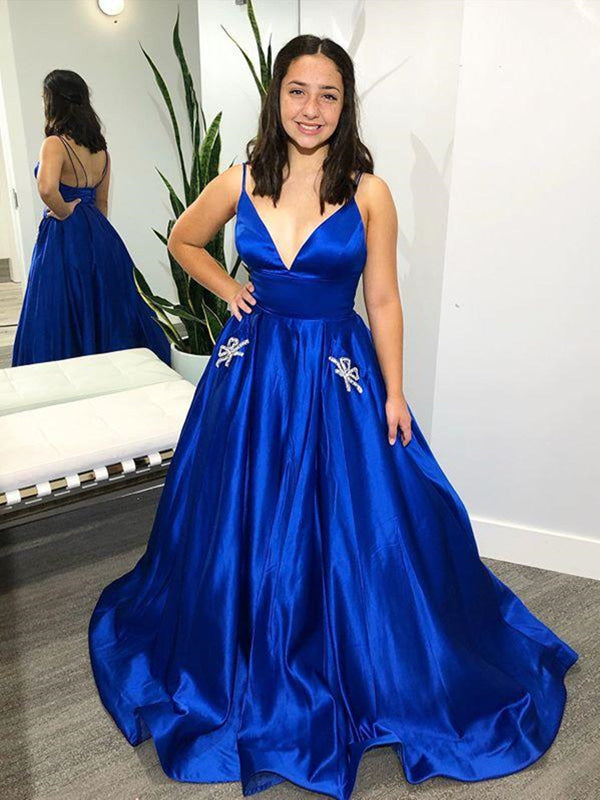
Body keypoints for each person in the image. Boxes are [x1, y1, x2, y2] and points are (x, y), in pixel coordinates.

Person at [88, 36, 578, 798]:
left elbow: (381, 298)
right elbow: (184, 240)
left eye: (328, 95)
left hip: (336, 372)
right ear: (276, 97)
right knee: (236, 522)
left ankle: (358, 661)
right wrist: (227, 288)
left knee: (359, 525)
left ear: (345, 106)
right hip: (251, 377)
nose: (311, 109)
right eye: (297, 91)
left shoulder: (368, 191)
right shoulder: (240, 178)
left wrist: (394, 390)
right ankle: (241, 650)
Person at [12, 69, 170, 367]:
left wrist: (63, 211)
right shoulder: (101, 150)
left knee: (59, 305)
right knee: (104, 302)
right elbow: (102, 202)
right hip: (100, 234)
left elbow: (46, 189)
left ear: (54, 101)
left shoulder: (54, 143)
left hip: (64, 235)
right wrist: (94, 233)